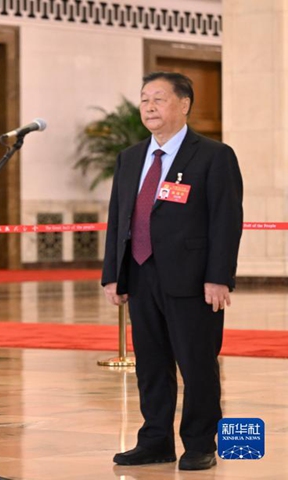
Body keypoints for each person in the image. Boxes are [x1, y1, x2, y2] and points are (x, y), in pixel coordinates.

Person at [102, 72, 243, 471]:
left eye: (159, 99)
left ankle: (200, 443)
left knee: (197, 363)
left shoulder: (214, 155)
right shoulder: (130, 158)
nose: (149, 106)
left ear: (184, 104)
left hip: (194, 279)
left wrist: (219, 276)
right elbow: (118, 219)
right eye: (144, 99)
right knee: (150, 363)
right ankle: (155, 440)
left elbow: (226, 220)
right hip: (141, 274)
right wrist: (113, 273)